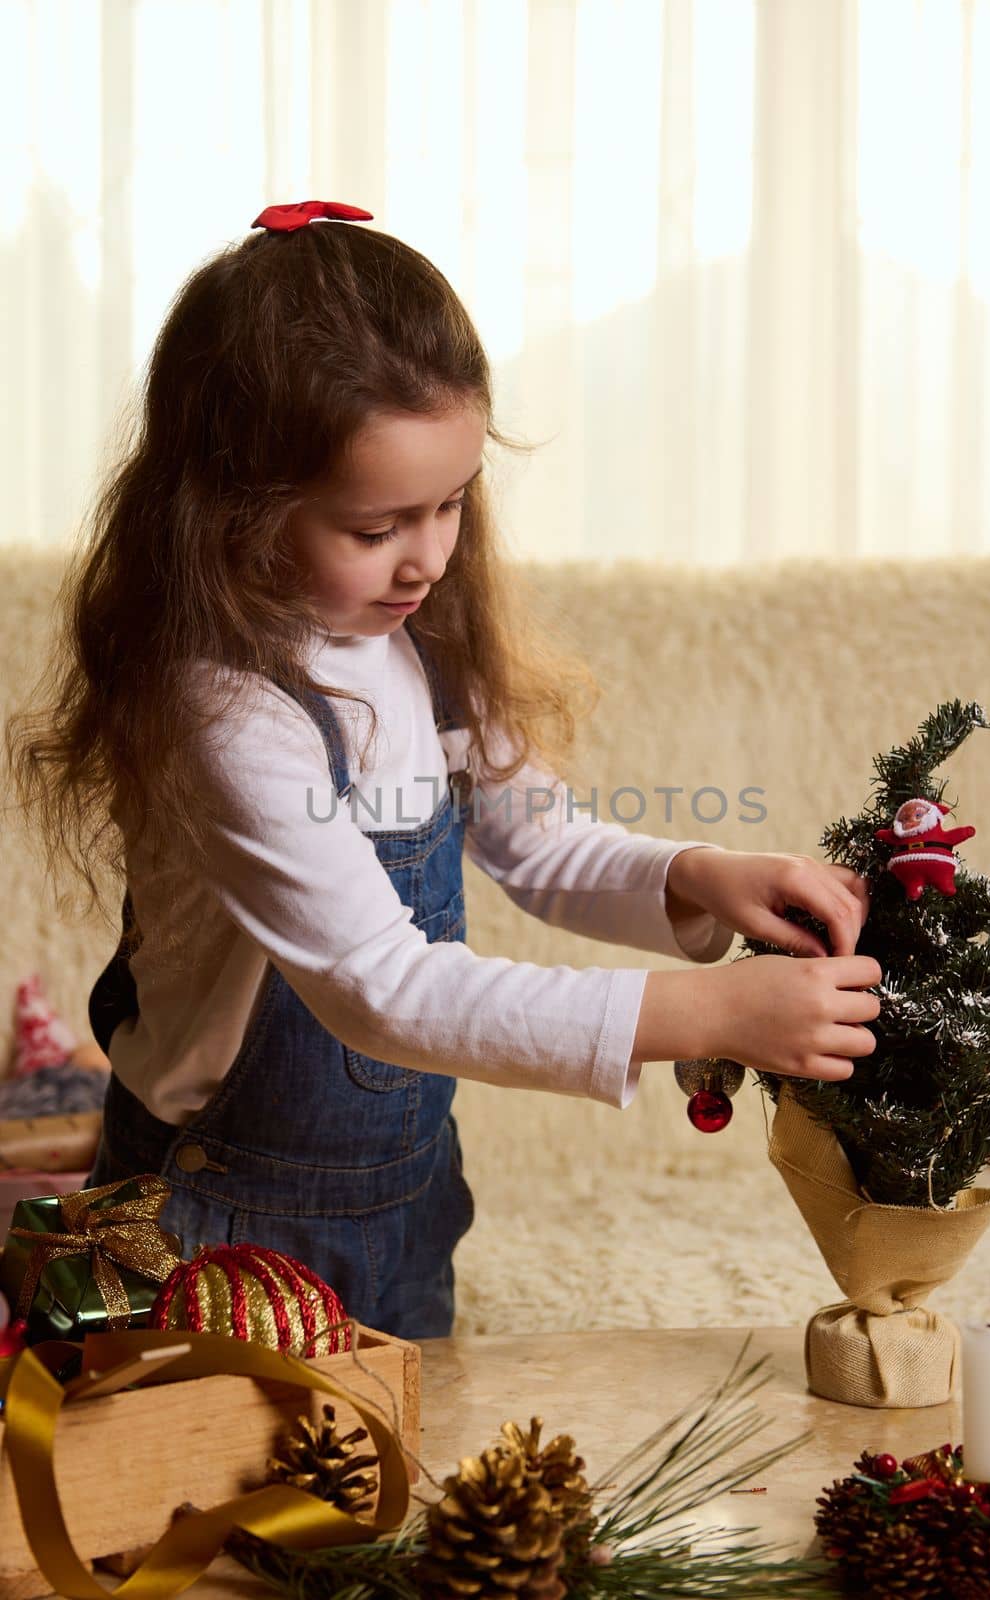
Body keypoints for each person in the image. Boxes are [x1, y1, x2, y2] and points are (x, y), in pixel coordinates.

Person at [6, 201, 882, 1342]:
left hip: (408, 1198)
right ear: (231, 511)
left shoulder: (420, 636)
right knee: (236, 1506)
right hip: (228, 1216)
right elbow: (384, 987)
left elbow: (541, 840)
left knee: (412, 1495)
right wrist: (707, 1008)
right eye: (376, 527)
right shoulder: (221, 705)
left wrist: (701, 873)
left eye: (453, 502)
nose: (428, 555)